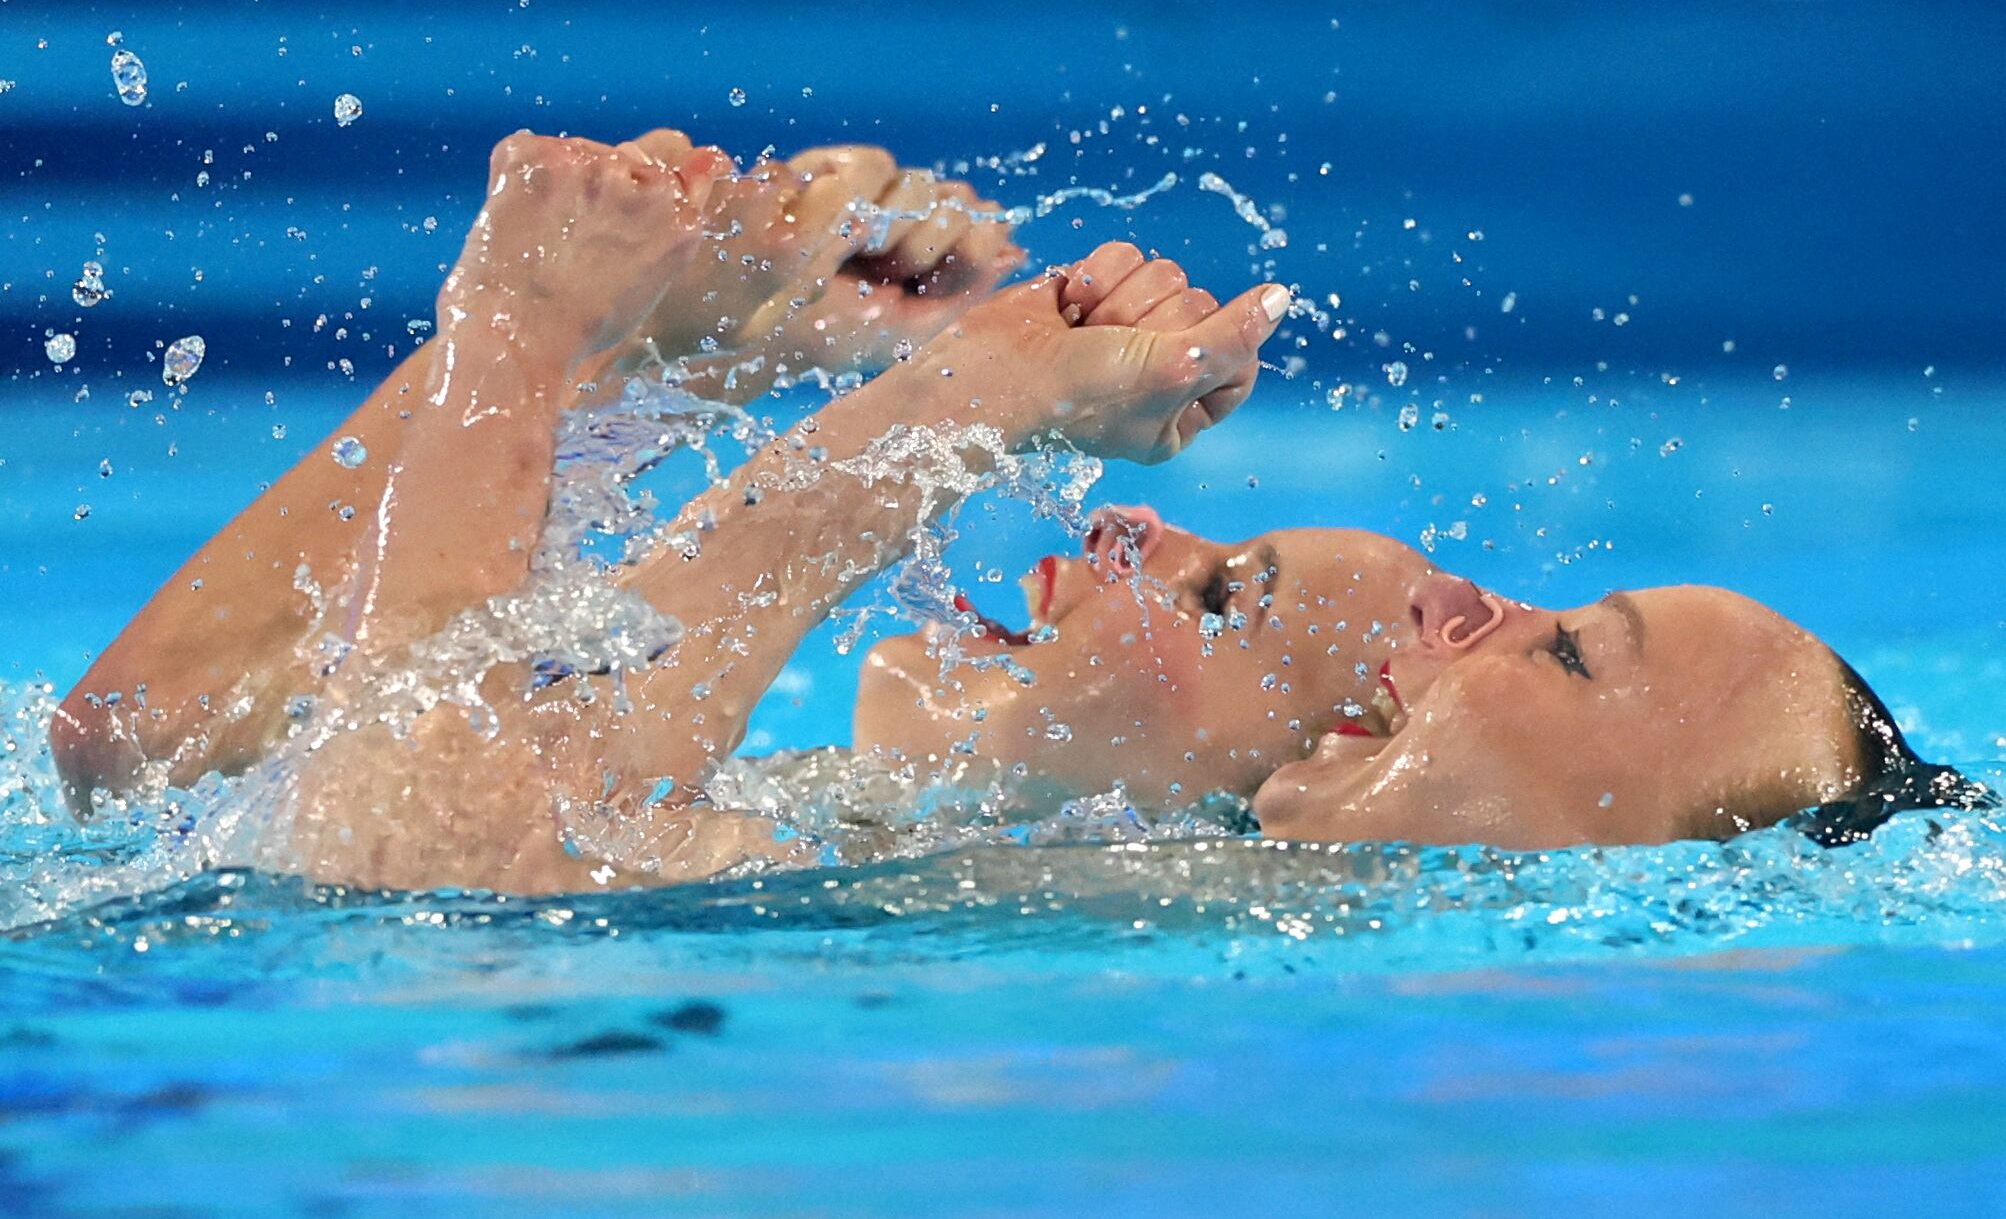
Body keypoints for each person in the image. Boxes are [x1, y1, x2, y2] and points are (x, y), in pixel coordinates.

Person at [50, 129, 1978, 895]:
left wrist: (525, 337)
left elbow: (418, 859)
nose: (1473, 601)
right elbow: (145, 749)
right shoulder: (878, 844)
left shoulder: (1117, 916)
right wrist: (662, 368)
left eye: (1566, 644)